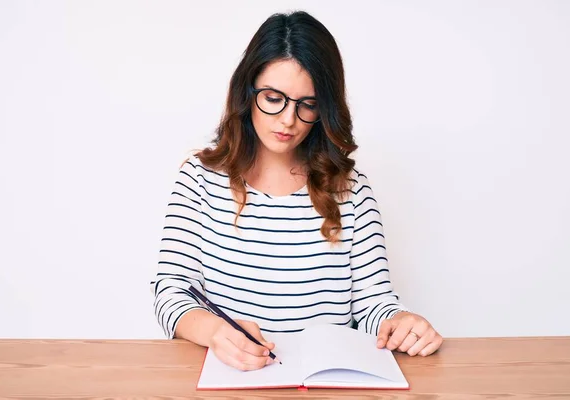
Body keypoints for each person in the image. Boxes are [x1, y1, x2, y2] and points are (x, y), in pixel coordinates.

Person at [150, 10, 442, 371]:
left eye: (308, 105)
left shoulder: (351, 191)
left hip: (328, 386)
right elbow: (172, 290)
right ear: (247, 91)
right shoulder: (199, 180)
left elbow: (373, 304)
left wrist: (400, 324)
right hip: (229, 380)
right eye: (273, 98)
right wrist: (213, 331)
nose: (288, 120)